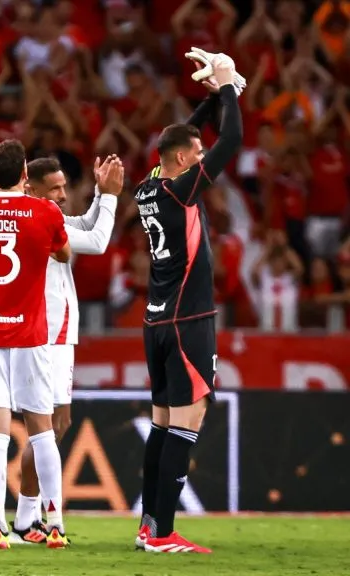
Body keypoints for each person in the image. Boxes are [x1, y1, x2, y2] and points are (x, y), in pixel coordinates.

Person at [133, 52, 243, 554]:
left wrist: (206, 101)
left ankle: (149, 524)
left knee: (161, 422)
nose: (203, 161)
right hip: (187, 319)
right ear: (182, 162)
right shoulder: (181, 192)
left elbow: (174, 140)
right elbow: (233, 142)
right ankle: (162, 533)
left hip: (156, 320)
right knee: (188, 418)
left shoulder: (147, 188)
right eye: (196, 156)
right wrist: (226, 90)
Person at [0, 140, 72, 550]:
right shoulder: (46, 212)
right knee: (42, 430)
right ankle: (55, 523)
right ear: (26, 174)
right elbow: (64, 253)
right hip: (31, 336)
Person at [10, 155, 124, 544]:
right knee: (47, 428)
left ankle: (27, 517)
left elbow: (84, 225)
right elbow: (96, 240)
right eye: (55, 188)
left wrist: (98, 193)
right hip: (46, 331)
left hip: (57, 330)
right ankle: (29, 518)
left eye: (64, 186)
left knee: (56, 425)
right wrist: (109, 196)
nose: (62, 194)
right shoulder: (36, 218)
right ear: (32, 189)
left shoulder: (48, 216)